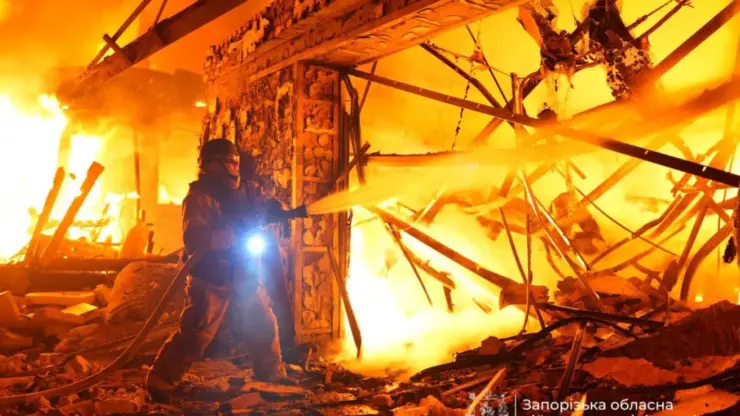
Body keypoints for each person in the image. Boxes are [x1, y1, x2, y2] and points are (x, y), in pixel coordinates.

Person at [145, 139, 307, 402]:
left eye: (235, 161)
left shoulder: (247, 189)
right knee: (197, 333)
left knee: (262, 322)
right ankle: (160, 380)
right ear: (210, 164)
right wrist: (234, 233)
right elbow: (196, 238)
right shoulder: (199, 197)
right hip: (213, 275)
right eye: (228, 162)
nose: (234, 166)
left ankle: (272, 375)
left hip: (245, 270)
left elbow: (266, 203)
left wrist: (281, 211)